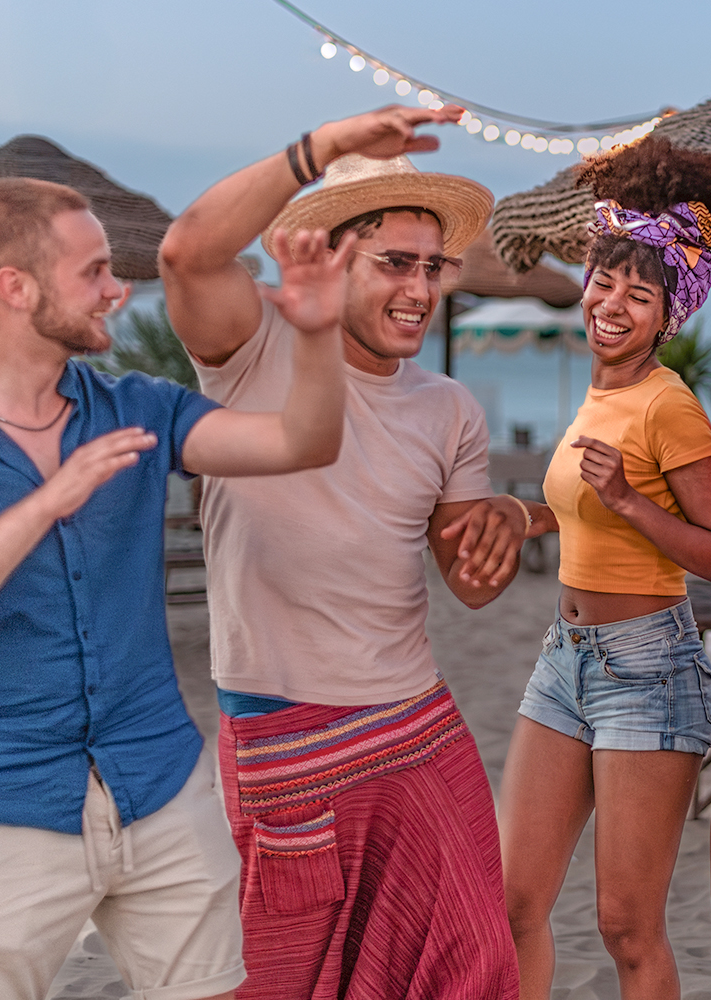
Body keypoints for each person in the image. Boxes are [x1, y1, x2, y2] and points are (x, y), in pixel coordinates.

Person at [0, 177, 355, 1000]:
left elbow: (301, 442)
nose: (116, 289)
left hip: (162, 789)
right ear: (15, 289)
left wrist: (315, 336)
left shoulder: (139, 407)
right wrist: (47, 502)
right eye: (94, 271)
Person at [158, 106, 534, 1000]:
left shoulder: (450, 409)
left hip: (416, 729)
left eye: (432, 267)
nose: (420, 289)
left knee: (472, 969)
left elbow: (470, 584)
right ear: (329, 256)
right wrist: (323, 147)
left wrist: (505, 532)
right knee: (283, 983)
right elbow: (185, 255)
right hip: (284, 739)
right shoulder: (252, 351)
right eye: (395, 263)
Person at [497, 137, 711, 1000]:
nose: (613, 303)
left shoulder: (670, 402)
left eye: (641, 292)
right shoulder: (600, 393)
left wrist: (634, 503)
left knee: (626, 925)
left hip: (649, 667)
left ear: (669, 315)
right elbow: (576, 514)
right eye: (606, 282)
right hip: (564, 659)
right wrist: (518, 516)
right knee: (513, 899)